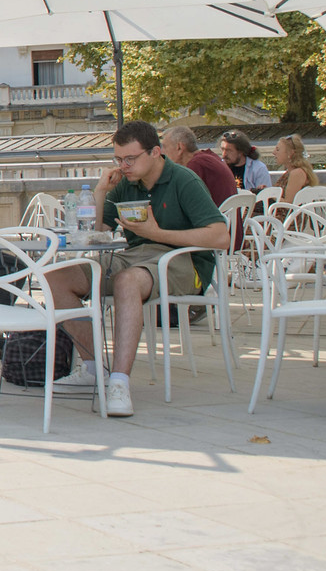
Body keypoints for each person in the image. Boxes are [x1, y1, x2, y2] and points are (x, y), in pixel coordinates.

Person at [46, 120, 229, 418]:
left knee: (127, 281)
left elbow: (221, 237)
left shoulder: (184, 180)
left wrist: (158, 234)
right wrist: (101, 191)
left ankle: (119, 383)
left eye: (130, 158)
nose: (124, 166)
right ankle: (93, 368)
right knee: (56, 276)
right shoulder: (126, 183)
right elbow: (99, 232)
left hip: (182, 261)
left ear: (155, 152)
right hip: (134, 257)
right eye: (119, 159)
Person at [162, 126, 237, 207]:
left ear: (179, 147)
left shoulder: (196, 164)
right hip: (229, 213)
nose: (162, 152)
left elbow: (178, 201)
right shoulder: (208, 158)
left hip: (217, 214)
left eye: (164, 147)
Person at [270, 134, 319, 206]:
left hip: (292, 213)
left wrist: (269, 196)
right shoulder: (289, 172)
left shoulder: (297, 173)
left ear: (290, 153)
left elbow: (289, 204)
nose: (274, 152)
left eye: (278, 149)